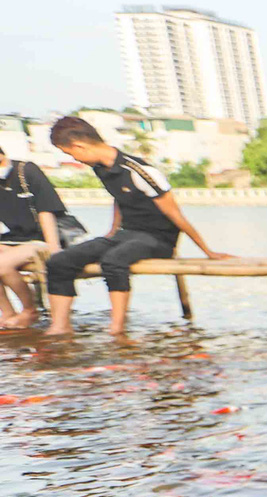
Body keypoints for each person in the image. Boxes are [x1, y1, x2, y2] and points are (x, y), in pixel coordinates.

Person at [43, 116, 229, 336]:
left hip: (159, 240)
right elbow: (118, 197)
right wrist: (112, 231)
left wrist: (207, 251)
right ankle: (60, 326)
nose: (74, 158)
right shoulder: (100, 167)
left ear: (79, 146)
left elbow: (175, 214)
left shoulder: (140, 170)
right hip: (126, 235)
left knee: (112, 261)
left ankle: (117, 328)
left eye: (70, 153)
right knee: (59, 261)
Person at [0, 146, 62, 330]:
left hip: (42, 236)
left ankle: (29, 310)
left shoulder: (26, 171)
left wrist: (53, 247)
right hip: (15, 238)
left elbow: (46, 209)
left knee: (1, 264)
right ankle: (8, 313)